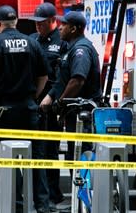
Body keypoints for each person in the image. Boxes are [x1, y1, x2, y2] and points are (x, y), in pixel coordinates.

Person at [0, 5, 50, 213]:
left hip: (3, 111)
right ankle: (42, 205)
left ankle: (16, 205)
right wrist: (33, 96)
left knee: (8, 159)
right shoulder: (32, 44)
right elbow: (44, 76)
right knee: (36, 159)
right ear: (16, 22)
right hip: (28, 108)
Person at [40, 11, 102, 162]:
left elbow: (77, 80)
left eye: (64, 25)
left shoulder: (81, 50)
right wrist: (51, 96)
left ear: (73, 29)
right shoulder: (70, 48)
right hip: (74, 113)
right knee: (73, 154)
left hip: (83, 114)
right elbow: (64, 79)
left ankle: (85, 186)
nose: (60, 28)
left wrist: (61, 103)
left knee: (81, 154)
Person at [28, 2, 68, 209]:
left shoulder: (62, 42)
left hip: (51, 103)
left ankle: (53, 193)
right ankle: (41, 192)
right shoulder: (32, 40)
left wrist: (53, 98)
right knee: (38, 150)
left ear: (54, 21)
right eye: (35, 23)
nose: (37, 26)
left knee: (50, 150)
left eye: (41, 23)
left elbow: (64, 77)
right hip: (34, 102)